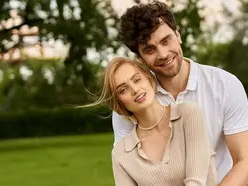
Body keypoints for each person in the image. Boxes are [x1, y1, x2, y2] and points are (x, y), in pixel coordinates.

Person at [114, 1, 248, 185]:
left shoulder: (225, 85)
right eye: (150, 49)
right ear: (139, 58)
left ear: (178, 35)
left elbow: (246, 161)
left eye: (166, 41)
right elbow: (128, 167)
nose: (163, 54)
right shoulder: (133, 103)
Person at [86, 57, 217, 185]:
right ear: (119, 102)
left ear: (149, 79)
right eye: (123, 90)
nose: (135, 90)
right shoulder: (121, 155)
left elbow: (197, 181)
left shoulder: (189, 115)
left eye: (137, 79)